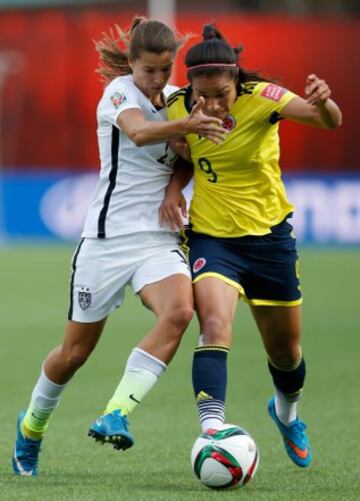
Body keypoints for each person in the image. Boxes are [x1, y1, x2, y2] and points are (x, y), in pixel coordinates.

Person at [12, 18, 228, 477]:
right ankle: (31, 427)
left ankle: (117, 412)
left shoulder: (174, 101)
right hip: (105, 241)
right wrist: (187, 123)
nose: (157, 79)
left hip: (157, 239)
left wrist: (175, 189)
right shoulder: (118, 94)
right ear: (131, 63)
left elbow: (185, 160)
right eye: (149, 70)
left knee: (180, 312)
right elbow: (138, 133)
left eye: (165, 69)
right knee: (74, 353)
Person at [160, 23, 342, 468]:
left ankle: (286, 413)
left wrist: (325, 102)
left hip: (269, 240)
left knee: (285, 354)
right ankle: (212, 430)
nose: (212, 104)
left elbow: (328, 122)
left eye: (221, 93)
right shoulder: (176, 106)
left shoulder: (265, 96)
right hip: (212, 236)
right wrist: (172, 190)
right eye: (202, 95)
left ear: (237, 78)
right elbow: (187, 154)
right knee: (214, 326)